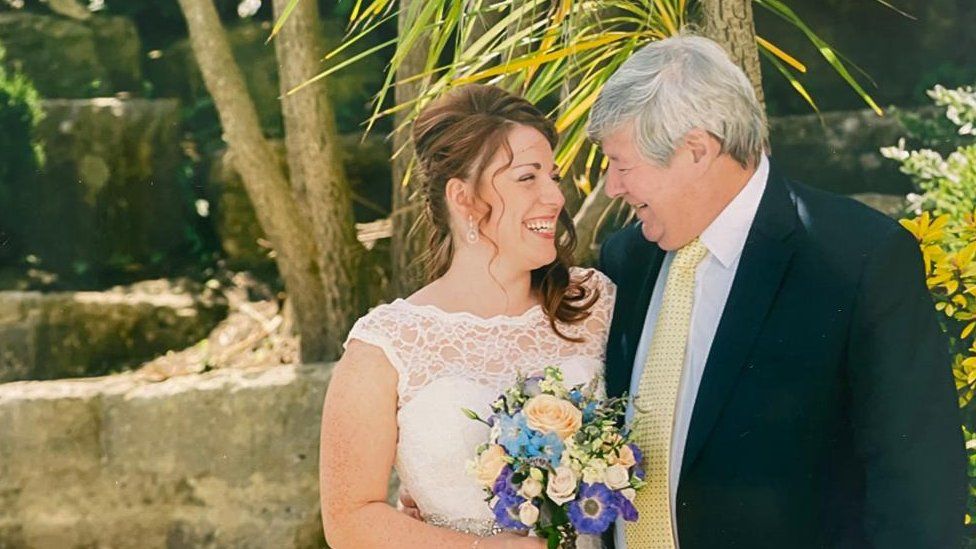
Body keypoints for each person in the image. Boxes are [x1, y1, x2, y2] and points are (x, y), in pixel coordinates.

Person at [590, 34, 966, 548]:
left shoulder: (859, 260)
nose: (612, 188)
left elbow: (920, 496)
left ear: (697, 150)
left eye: (622, 164)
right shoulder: (625, 259)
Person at [319, 84, 615, 548]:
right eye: (527, 178)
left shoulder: (597, 304)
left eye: (552, 177)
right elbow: (348, 521)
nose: (554, 197)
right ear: (464, 198)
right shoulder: (386, 346)